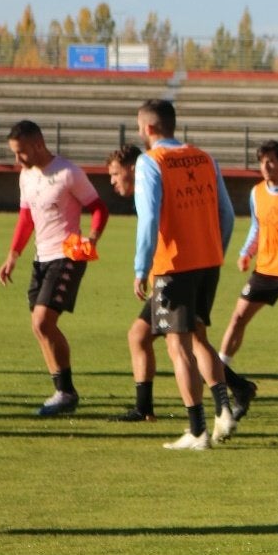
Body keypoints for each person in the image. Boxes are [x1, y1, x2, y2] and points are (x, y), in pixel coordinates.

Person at [134, 99, 237, 450]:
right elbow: (226, 213)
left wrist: (140, 266)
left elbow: (148, 220)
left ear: (148, 128)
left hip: (173, 266)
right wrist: (214, 250)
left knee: (178, 346)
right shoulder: (206, 158)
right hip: (208, 261)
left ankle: (196, 430)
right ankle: (224, 409)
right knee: (199, 337)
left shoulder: (150, 163)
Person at [0, 120, 110, 416]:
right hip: (41, 258)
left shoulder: (68, 172)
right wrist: (13, 255)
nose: (17, 159)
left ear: (38, 144)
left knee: (42, 322)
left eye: (20, 152)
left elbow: (99, 207)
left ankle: (65, 392)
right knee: (41, 328)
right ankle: (61, 391)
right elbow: (26, 217)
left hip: (68, 255)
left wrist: (93, 237)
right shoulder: (26, 175)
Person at [217, 139, 278, 419]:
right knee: (238, 317)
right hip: (266, 269)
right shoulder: (257, 192)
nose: (266, 166)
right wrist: (247, 251)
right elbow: (257, 226)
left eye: (271, 161)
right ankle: (222, 370)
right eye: (262, 161)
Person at [106, 144, 164, 423]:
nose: (112, 181)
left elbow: (151, 224)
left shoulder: (149, 188)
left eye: (116, 174)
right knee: (190, 341)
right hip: (172, 275)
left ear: (132, 168)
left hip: (171, 275)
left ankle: (145, 409)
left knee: (146, 337)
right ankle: (237, 389)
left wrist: (142, 270)